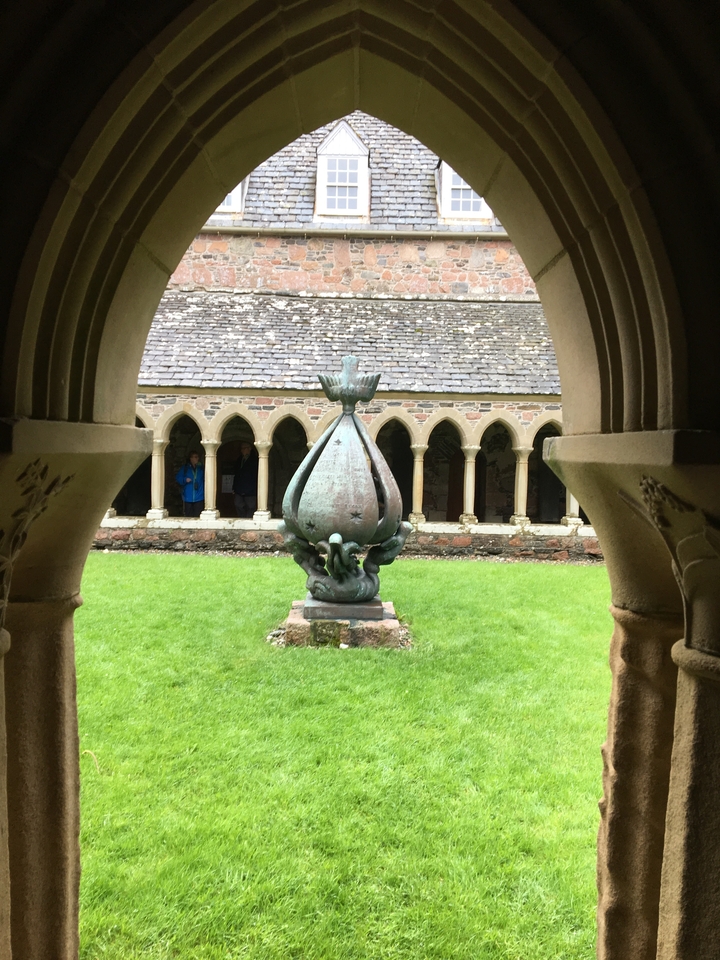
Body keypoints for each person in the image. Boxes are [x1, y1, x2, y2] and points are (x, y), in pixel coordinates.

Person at [233, 441, 259, 517]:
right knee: (238, 504)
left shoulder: (255, 460)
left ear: (249, 449)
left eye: (244, 448)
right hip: (239, 489)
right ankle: (242, 519)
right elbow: (236, 474)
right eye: (241, 449)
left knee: (251, 506)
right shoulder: (239, 460)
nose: (242, 450)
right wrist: (234, 487)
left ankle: (248, 521)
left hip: (251, 489)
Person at [175, 450, 205, 517]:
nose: (197, 458)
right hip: (188, 497)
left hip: (199, 497)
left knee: (198, 516)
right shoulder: (185, 468)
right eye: (195, 457)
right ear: (191, 458)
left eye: (198, 457)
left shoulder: (201, 468)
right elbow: (178, 478)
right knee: (189, 517)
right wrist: (185, 479)